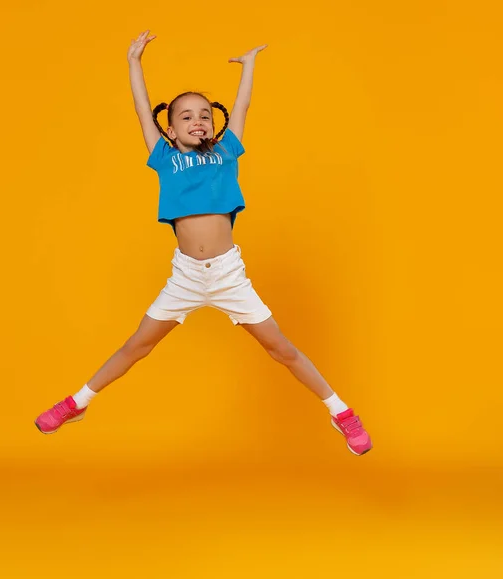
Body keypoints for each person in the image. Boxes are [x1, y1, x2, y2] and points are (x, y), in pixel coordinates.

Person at [34, 31, 372, 456]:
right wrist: (133, 63)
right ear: (170, 129)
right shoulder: (163, 156)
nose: (198, 121)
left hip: (229, 273)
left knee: (281, 348)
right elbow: (141, 108)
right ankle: (77, 403)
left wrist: (249, 67)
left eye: (205, 116)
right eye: (186, 116)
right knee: (136, 346)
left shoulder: (227, 151)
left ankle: (340, 411)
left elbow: (243, 106)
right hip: (187, 277)